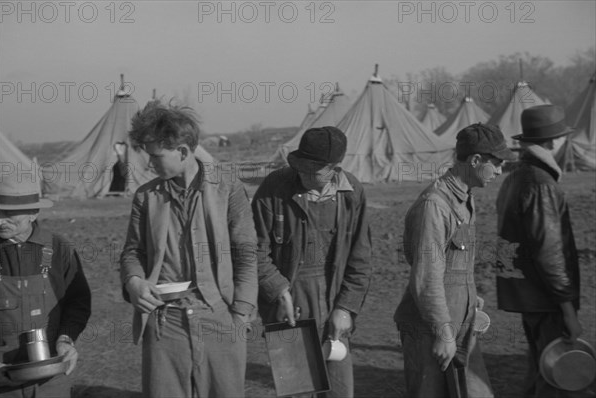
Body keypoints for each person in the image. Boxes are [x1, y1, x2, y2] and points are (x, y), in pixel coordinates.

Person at [119, 100, 258, 398]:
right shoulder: (146, 197)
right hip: (164, 322)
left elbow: (246, 253)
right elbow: (132, 252)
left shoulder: (228, 189)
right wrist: (134, 282)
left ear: (182, 151)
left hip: (220, 316)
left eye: (156, 156)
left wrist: (241, 314)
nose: (149, 163)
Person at [394, 123, 516, 397]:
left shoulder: (463, 200)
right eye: (496, 163)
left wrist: (469, 295)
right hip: (430, 329)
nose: (499, 171)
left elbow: (452, 265)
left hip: (460, 321)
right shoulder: (435, 206)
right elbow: (426, 278)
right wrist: (443, 332)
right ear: (475, 160)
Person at [252, 126, 372, 398]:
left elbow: (360, 259)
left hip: (333, 308)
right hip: (289, 309)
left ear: (334, 168)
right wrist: (278, 290)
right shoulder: (275, 188)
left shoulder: (352, 194)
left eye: (314, 172)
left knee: (339, 391)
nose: (304, 176)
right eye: (300, 168)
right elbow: (253, 249)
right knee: (298, 391)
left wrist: (345, 308)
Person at [495, 105, 582, 397]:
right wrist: (567, 307)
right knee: (556, 375)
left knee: (540, 368)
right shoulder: (541, 184)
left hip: (529, 295)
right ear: (553, 141)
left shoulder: (516, 177)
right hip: (546, 299)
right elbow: (549, 253)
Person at [0, 173, 91, 397]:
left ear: (33, 212)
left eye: (9, 213)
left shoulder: (59, 249)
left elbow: (78, 302)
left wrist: (66, 339)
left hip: (52, 380)